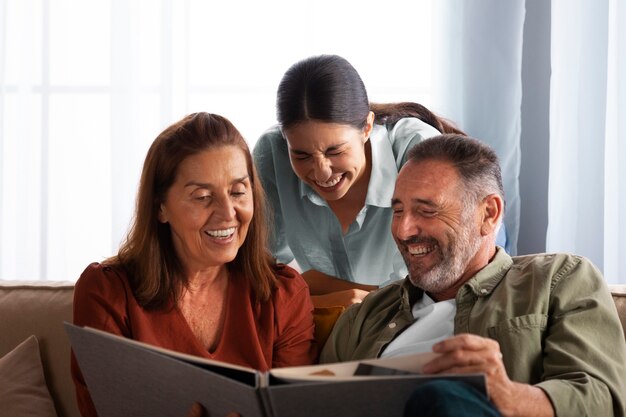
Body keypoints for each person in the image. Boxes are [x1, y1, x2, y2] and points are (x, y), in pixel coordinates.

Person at [320, 134, 626, 417]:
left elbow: (602, 400)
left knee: (441, 397)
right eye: (398, 211)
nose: (403, 230)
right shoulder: (364, 317)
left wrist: (507, 394)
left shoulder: (558, 280)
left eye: (426, 211)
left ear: (489, 214)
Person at [71, 113, 316, 417]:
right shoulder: (107, 292)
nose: (228, 213)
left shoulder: (285, 294)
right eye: (202, 197)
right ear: (161, 207)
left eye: (238, 191)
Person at [254, 54, 507, 309]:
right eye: (301, 155)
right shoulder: (272, 154)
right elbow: (256, 268)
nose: (321, 173)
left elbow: (436, 283)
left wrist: (319, 287)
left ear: (367, 127)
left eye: (335, 151)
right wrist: (320, 292)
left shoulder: (417, 150)